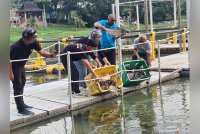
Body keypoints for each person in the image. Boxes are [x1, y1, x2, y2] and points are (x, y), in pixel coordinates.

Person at [10, 28, 57, 115]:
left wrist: (51, 55)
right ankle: (20, 109)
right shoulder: (16, 46)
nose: (34, 39)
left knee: (23, 82)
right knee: (17, 85)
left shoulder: (34, 42)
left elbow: (42, 52)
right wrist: (10, 73)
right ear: (26, 38)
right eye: (32, 37)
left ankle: (22, 103)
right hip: (13, 65)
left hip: (21, 65)